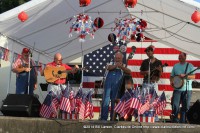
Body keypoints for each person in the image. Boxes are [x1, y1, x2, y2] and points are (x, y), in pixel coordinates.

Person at [100, 51, 131, 121]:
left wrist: (121, 67)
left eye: (119, 58)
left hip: (117, 86)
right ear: (114, 58)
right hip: (108, 85)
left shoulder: (124, 65)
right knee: (105, 101)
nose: (117, 59)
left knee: (115, 102)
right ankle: (103, 118)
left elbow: (129, 71)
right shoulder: (111, 63)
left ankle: (112, 118)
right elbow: (108, 67)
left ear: (122, 58)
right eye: (116, 58)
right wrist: (116, 66)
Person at [170, 52, 195, 123]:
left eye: (181, 56)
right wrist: (171, 82)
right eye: (178, 56)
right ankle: (175, 121)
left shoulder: (190, 65)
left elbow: (193, 76)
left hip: (187, 89)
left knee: (185, 107)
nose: (179, 57)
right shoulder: (175, 66)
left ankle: (183, 122)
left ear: (185, 57)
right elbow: (172, 76)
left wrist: (185, 76)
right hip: (177, 89)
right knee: (175, 105)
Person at [140, 45, 162, 122]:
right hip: (146, 83)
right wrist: (146, 72)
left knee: (154, 100)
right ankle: (144, 115)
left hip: (154, 83)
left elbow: (160, 74)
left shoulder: (158, 62)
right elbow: (141, 72)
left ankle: (155, 117)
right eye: (147, 51)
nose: (148, 52)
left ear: (153, 52)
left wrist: (159, 71)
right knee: (144, 100)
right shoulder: (145, 62)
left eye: (149, 51)